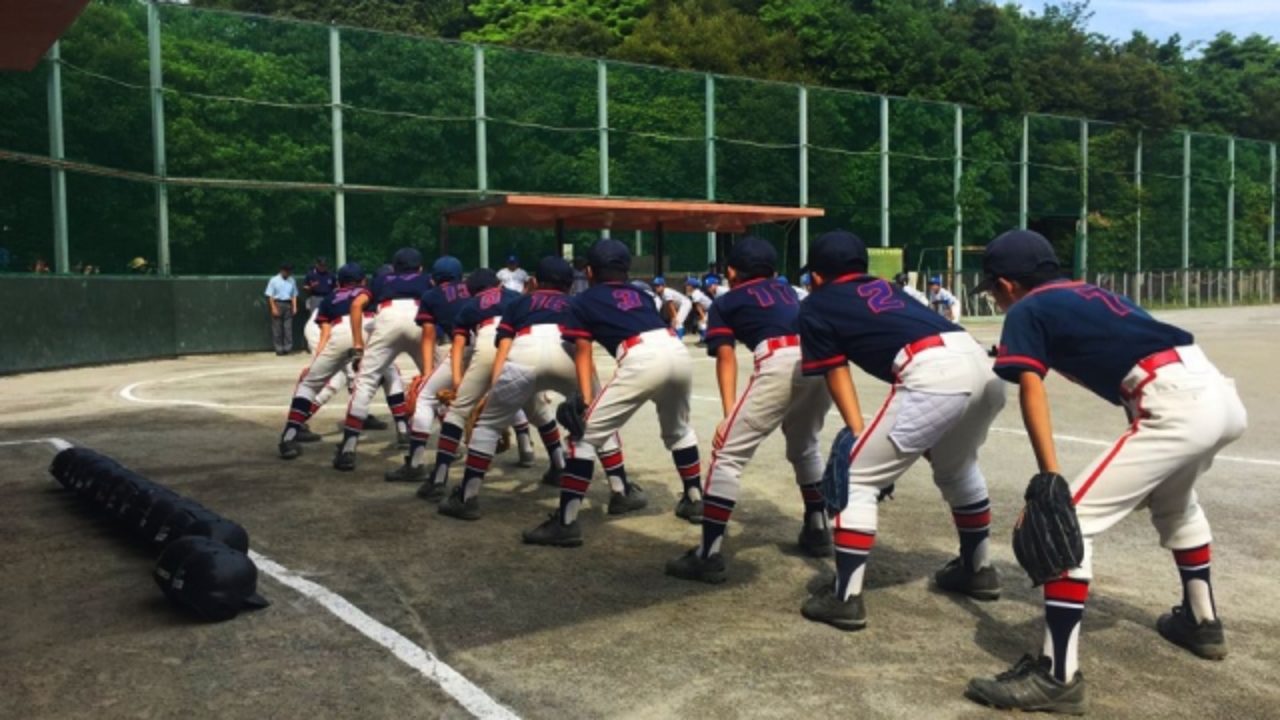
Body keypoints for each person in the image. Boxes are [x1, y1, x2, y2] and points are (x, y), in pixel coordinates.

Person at [964, 230, 1248, 714]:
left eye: (993, 287)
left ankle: (1058, 677)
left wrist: (1049, 478)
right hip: (1215, 392)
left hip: (1174, 402)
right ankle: (1201, 623)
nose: (992, 295)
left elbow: (1033, 389)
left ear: (1009, 284)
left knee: (1065, 522)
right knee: (1176, 505)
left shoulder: (1026, 309)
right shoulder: (1091, 291)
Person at [796, 230, 1006, 632]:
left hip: (934, 373)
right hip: (979, 363)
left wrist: (858, 435)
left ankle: (845, 598)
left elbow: (836, 373)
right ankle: (977, 570)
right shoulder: (885, 287)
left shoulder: (817, 303)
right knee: (957, 468)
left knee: (856, 476)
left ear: (817, 276)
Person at [666, 237, 832, 584]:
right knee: (804, 445)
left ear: (730, 271)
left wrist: (729, 415)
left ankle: (708, 555)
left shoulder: (728, 300)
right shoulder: (792, 293)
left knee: (728, 455)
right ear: (773, 271)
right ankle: (818, 528)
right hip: (821, 361)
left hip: (779, 361)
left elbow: (725, 356)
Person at [522, 238, 703, 547]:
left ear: (589, 271)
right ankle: (694, 498)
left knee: (584, 437)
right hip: (676, 352)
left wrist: (585, 398)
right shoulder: (642, 294)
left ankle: (566, 523)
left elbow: (582, 350)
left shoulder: (583, 300)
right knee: (679, 430)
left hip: (640, 358)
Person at [437, 257, 633, 521]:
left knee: (488, 426)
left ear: (534, 282)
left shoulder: (519, 302)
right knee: (598, 421)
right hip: (568, 352)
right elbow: (585, 348)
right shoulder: (576, 302)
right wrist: (590, 394)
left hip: (524, 351)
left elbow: (503, 347)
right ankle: (621, 491)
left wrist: (496, 391)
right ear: (570, 284)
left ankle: (467, 497)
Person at [276, 263, 403, 459]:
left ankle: (288, 436)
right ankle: (399, 431)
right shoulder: (369, 291)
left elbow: (325, 332)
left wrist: (317, 362)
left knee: (311, 383)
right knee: (386, 376)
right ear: (363, 280)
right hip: (363, 327)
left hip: (333, 331)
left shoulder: (330, 297)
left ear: (338, 282)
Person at [333, 248, 430, 471]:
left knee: (365, 382)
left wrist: (358, 344)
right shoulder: (426, 279)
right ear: (420, 268)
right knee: (435, 383)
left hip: (387, 317)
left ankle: (348, 448)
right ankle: (445, 446)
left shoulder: (382, 279)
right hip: (419, 317)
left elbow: (357, 305)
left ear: (394, 268)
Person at [381, 256, 475, 481]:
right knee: (510, 396)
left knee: (424, 398)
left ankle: (415, 465)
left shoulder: (431, 295)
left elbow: (428, 336)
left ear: (433, 279)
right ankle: (532, 450)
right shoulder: (472, 288)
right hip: (502, 343)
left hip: (468, 347)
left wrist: (426, 373)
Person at [264, 263, 299, 356]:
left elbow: (294, 295)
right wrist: (273, 307)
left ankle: (287, 348)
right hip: (277, 303)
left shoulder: (292, 280)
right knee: (277, 328)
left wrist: (295, 306)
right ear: (282, 270)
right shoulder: (274, 280)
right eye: (287, 270)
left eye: (290, 271)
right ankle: (279, 348)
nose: (288, 272)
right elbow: (270, 296)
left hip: (288, 304)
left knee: (288, 328)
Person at [686, 277, 712, 342]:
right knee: (701, 324)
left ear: (692, 286)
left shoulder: (695, 293)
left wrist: (702, 316)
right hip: (708, 309)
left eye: (688, 285)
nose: (686, 286)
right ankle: (703, 339)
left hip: (711, 309)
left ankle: (705, 340)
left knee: (703, 324)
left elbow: (698, 306)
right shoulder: (695, 293)